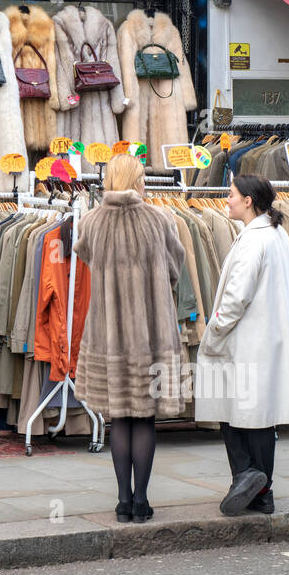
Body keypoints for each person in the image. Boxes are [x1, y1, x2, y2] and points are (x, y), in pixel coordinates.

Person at [74, 153, 185, 523]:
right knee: (145, 420)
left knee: (119, 418)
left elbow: (84, 255)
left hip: (109, 336)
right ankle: (142, 500)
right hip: (152, 335)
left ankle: (122, 501)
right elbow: (175, 267)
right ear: (139, 180)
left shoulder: (91, 222)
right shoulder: (160, 219)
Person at [195, 174, 289, 516]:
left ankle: (245, 476)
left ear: (248, 200)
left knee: (231, 413)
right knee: (260, 419)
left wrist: (214, 330)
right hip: (266, 343)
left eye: (231, 194)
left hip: (245, 342)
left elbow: (235, 298)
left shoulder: (253, 241)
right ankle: (263, 493)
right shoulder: (275, 235)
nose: (226, 200)